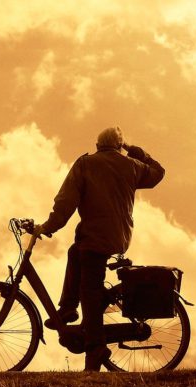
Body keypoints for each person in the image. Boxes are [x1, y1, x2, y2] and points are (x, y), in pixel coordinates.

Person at [33, 127, 165, 372]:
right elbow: (158, 173)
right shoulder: (132, 165)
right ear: (119, 146)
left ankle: (96, 349)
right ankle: (68, 309)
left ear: (97, 145)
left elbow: (66, 202)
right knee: (75, 252)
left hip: (95, 239)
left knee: (90, 292)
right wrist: (135, 151)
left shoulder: (86, 164)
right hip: (118, 238)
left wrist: (48, 227)